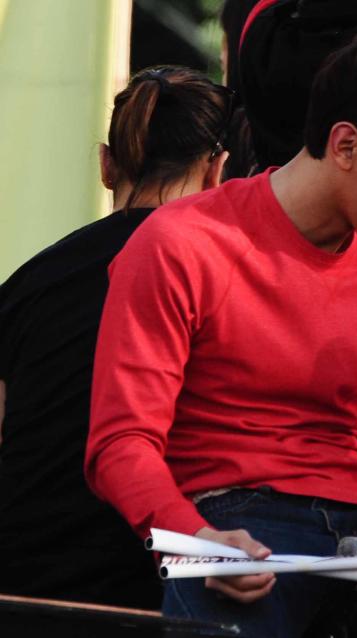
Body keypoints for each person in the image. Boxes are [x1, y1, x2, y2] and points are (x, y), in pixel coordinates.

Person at [84, 27, 357, 638]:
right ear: (344, 145)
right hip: (231, 529)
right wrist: (194, 542)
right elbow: (119, 443)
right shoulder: (179, 245)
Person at [0, 66, 232, 608]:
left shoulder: (28, 283)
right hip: (158, 586)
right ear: (218, 170)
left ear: (107, 166)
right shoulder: (223, 283)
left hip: (20, 586)